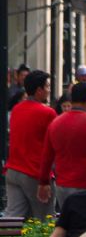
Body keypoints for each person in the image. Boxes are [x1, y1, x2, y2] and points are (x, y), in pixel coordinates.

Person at [6, 70, 57, 219]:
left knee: (13, 218)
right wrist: (46, 179)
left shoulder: (16, 109)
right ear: (39, 90)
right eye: (47, 86)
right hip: (35, 173)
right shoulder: (48, 113)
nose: (49, 90)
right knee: (45, 220)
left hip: (13, 170)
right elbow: (53, 146)